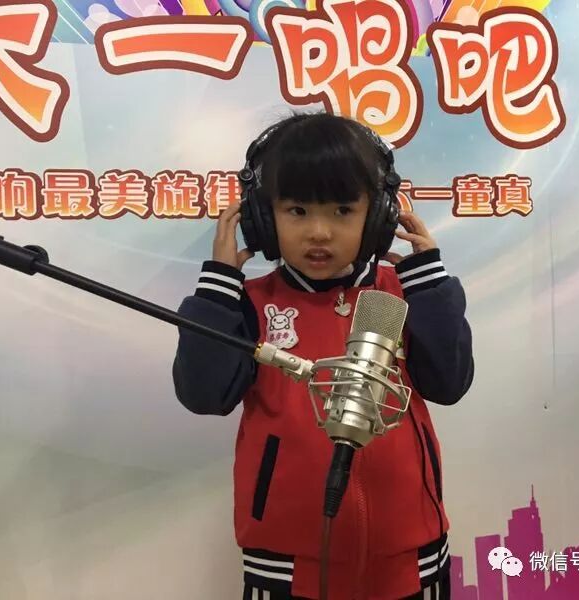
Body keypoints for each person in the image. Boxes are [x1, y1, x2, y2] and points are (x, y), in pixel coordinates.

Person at [173, 112, 474, 600]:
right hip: (286, 565)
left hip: (410, 556)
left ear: (378, 217)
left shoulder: (405, 294)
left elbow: (449, 382)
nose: (319, 231)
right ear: (262, 218)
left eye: (342, 211)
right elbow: (205, 395)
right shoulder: (247, 304)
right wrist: (218, 289)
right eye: (297, 211)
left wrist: (429, 285)